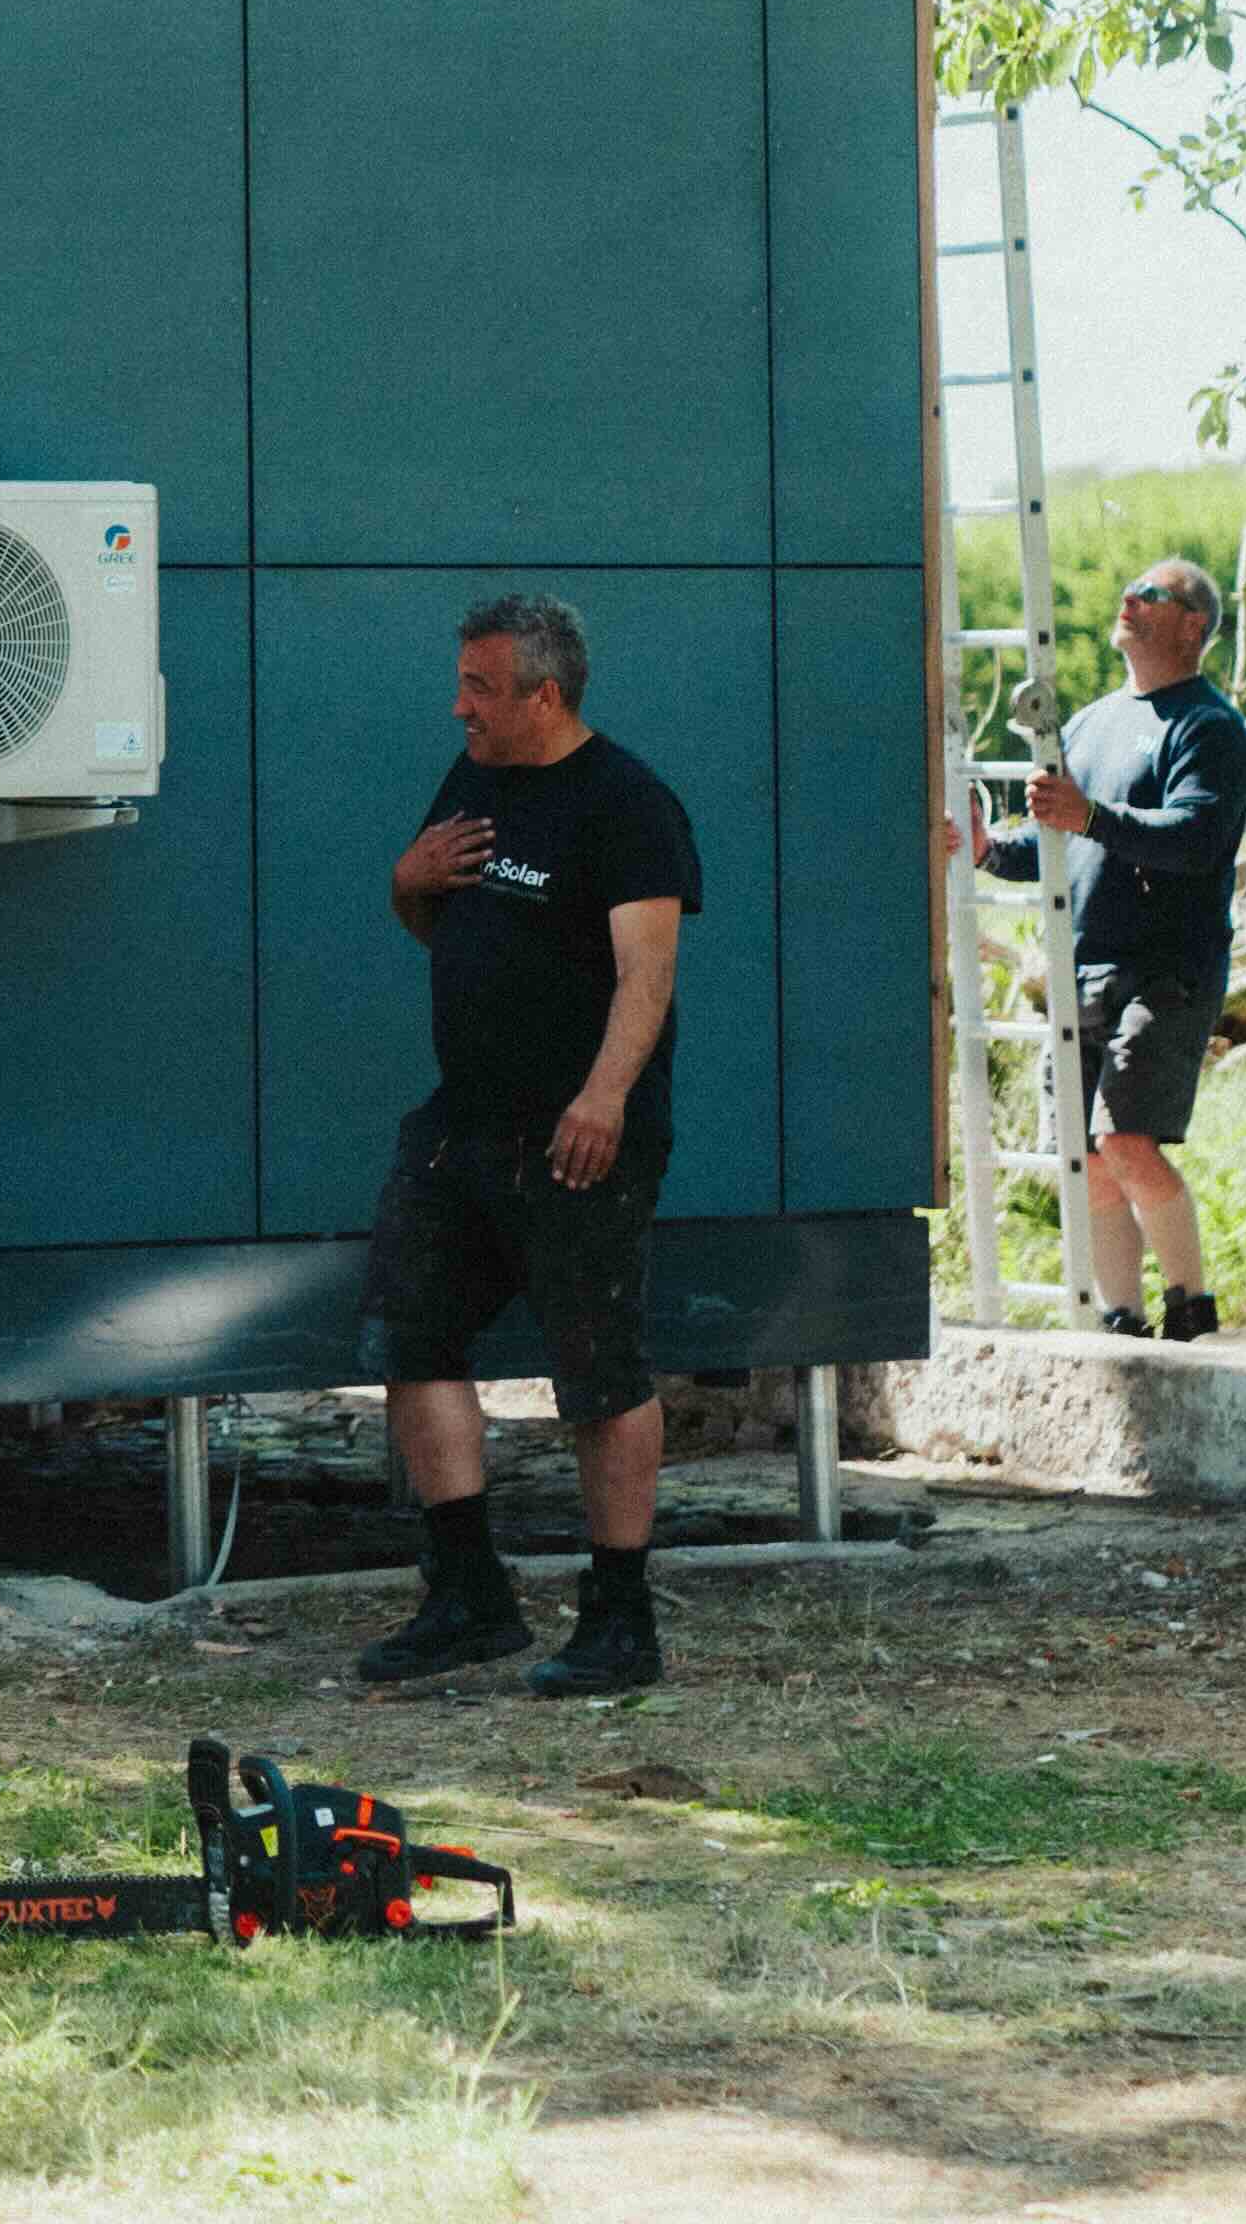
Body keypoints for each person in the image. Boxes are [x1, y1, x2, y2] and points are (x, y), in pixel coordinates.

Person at [354, 592, 703, 1701]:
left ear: (544, 695)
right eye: (461, 682)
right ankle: (468, 1594)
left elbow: (648, 975)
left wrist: (603, 1098)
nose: (459, 706)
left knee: (597, 1374)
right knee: (412, 1338)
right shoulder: (474, 778)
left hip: (578, 1132)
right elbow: (444, 921)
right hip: (462, 1122)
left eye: (480, 688)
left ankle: (619, 1617)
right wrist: (408, 884)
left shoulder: (627, 803)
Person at [975, 557, 1246, 1340]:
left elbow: (1197, 839)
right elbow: (1054, 840)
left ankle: (1192, 1308)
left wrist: (1090, 816)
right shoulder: (1093, 721)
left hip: (1168, 972)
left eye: (1152, 595)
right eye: (1130, 592)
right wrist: (986, 850)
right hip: (1083, 966)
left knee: (1125, 1139)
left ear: (1192, 625)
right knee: (1090, 1155)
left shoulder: (1210, 728)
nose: (1128, 601)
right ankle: (1121, 1320)